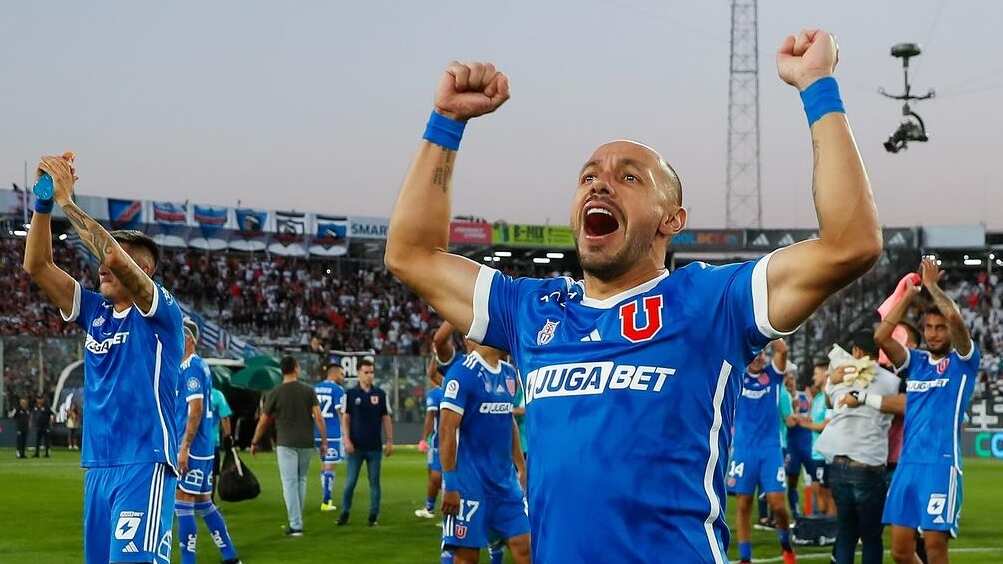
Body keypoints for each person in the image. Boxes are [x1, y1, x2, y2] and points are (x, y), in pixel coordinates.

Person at [385, 28, 881, 562]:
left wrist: (818, 86)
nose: (600, 184)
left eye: (629, 177)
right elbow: (410, 254)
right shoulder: (529, 310)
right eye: (588, 176)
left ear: (672, 219)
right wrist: (447, 122)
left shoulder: (712, 301)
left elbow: (849, 243)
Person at [24, 152, 184, 563]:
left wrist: (67, 202)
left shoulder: (162, 315)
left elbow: (112, 256)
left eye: (119, 262)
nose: (103, 268)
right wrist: (43, 196)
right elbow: (37, 264)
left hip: (143, 463)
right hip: (98, 467)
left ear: (143, 272)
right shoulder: (95, 312)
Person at [877, 259, 980, 564]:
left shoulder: (964, 363)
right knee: (900, 552)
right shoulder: (916, 363)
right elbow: (882, 338)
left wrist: (932, 286)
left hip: (941, 464)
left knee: (935, 548)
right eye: (928, 328)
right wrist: (908, 295)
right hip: (907, 465)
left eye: (940, 328)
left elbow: (954, 317)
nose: (934, 333)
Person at [816, 328, 904, 564]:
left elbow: (827, 400)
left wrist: (831, 379)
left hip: (839, 464)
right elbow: (902, 406)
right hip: (868, 465)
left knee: (846, 534)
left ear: (856, 351)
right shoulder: (892, 381)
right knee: (872, 537)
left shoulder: (840, 377)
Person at [438, 345, 531, 564]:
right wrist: (451, 484)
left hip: (505, 485)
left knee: (526, 546)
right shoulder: (462, 373)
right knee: (467, 558)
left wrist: (521, 466)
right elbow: (446, 430)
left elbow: (508, 422)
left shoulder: (509, 373)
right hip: (469, 485)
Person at [175, 319, 241, 564]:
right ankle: (230, 555)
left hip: (192, 449)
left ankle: (188, 560)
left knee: (183, 503)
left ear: (189, 339)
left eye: (177, 334)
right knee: (204, 503)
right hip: (201, 448)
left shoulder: (192, 366)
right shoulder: (193, 366)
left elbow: (196, 409)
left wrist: (184, 446)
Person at [728, 340, 796, 564]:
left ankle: (786, 542)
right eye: (754, 353)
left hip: (770, 449)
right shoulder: (736, 374)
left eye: (761, 353)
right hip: (744, 450)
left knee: (778, 504)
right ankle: (745, 557)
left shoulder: (773, 375)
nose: (758, 357)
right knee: (744, 503)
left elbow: (783, 349)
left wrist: (764, 330)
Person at [251, 356, 327, 536]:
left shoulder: (275, 393)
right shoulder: (308, 391)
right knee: (301, 481)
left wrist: (255, 441)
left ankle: (296, 524)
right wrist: (324, 440)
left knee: (289, 483)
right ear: (296, 368)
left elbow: (264, 421)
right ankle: (297, 519)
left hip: (286, 442)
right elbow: (318, 417)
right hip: (306, 442)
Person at [338, 358, 393, 527]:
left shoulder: (380, 394)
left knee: (374, 482)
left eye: (371, 372)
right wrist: (346, 439)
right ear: (359, 374)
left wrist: (390, 440)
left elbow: (386, 418)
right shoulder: (350, 394)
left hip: (374, 446)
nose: (369, 375)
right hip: (355, 447)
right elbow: (345, 418)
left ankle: (373, 515)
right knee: (350, 482)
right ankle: (345, 512)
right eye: (366, 372)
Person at [797, 362, 835, 516]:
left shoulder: (830, 396)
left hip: (824, 455)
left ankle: (831, 529)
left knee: (826, 493)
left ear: (826, 373)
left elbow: (826, 425)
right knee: (817, 491)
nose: (813, 377)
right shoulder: (819, 397)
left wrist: (802, 424)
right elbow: (814, 422)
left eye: (816, 373)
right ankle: (824, 528)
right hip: (815, 452)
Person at [314, 362, 347, 512]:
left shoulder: (314, 388)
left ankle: (326, 497)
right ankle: (326, 501)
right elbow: (342, 413)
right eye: (341, 374)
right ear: (333, 373)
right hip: (332, 433)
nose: (343, 377)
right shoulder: (337, 390)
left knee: (323, 464)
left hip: (316, 432)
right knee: (330, 466)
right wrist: (346, 433)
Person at [415, 357, 445, 519]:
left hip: (439, 441)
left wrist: (423, 439)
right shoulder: (454, 389)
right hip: (455, 440)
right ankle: (430, 507)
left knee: (436, 475)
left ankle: (443, 511)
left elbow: (429, 417)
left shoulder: (435, 394)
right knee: (437, 474)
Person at [209, 384, 234, 503]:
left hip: (192, 441)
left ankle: (189, 500)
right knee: (212, 472)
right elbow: (224, 417)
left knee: (191, 471)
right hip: (212, 441)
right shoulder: (217, 395)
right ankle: (210, 500)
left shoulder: (188, 391)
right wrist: (228, 436)